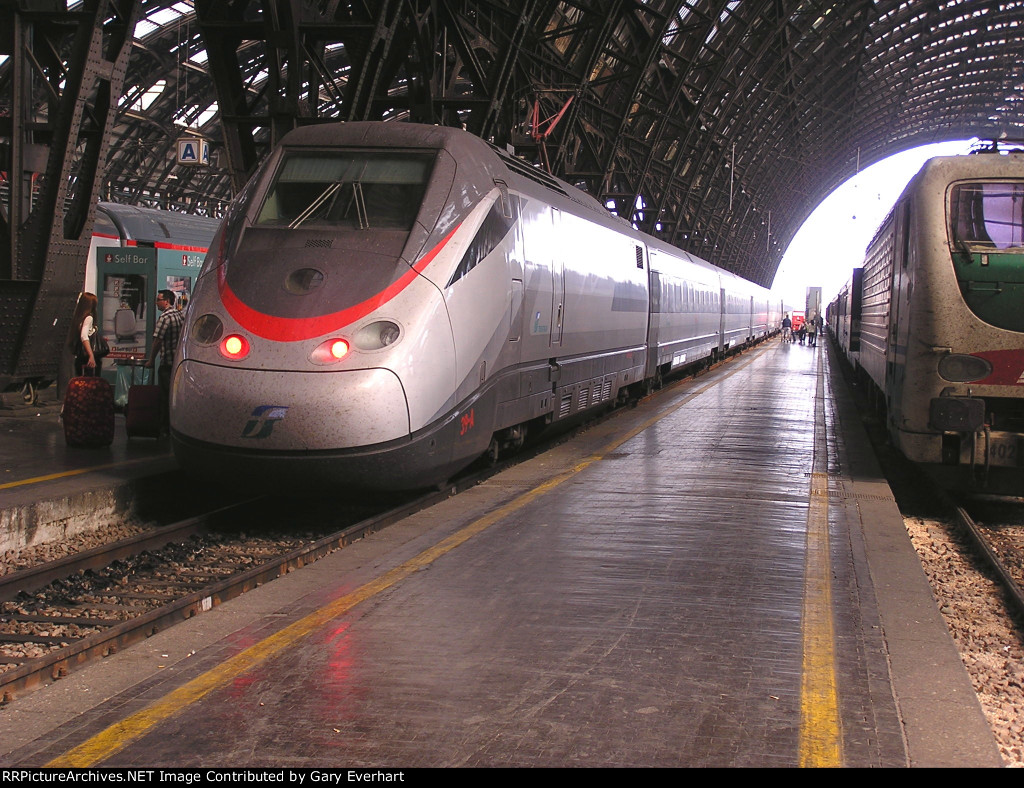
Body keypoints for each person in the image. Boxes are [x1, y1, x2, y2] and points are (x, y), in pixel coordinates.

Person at [145, 289, 185, 433]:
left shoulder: (165, 317)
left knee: (164, 396)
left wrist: (150, 360)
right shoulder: (179, 315)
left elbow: (157, 340)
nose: (156, 302)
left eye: (158, 299)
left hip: (167, 363)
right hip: (178, 363)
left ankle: (164, 427)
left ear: (166, 301)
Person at [68, 292, 102, 377]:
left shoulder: (78, 318)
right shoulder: (89, 318)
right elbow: (84, 336)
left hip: (79, 355)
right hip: (87, 355)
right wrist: (91, 355)